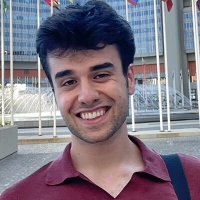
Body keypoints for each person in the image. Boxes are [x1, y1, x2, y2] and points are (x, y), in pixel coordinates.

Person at [1, 0, 200, 199]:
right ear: (54, 92)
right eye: (69, 82)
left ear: (129, 79)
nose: (87, 96)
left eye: (101, 75)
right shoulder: (20, 196)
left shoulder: (192, 179)